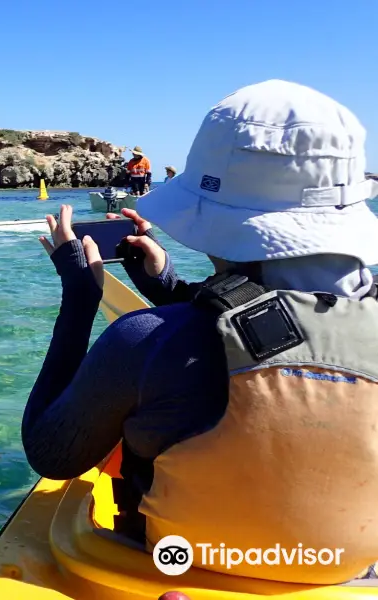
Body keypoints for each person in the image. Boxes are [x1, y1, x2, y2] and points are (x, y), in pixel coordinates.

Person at [26, 79, 378, 585]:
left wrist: (82, 296)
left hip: (163, 573)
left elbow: (50, 454)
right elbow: (301, 329)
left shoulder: (145, 340)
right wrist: (167, 286)